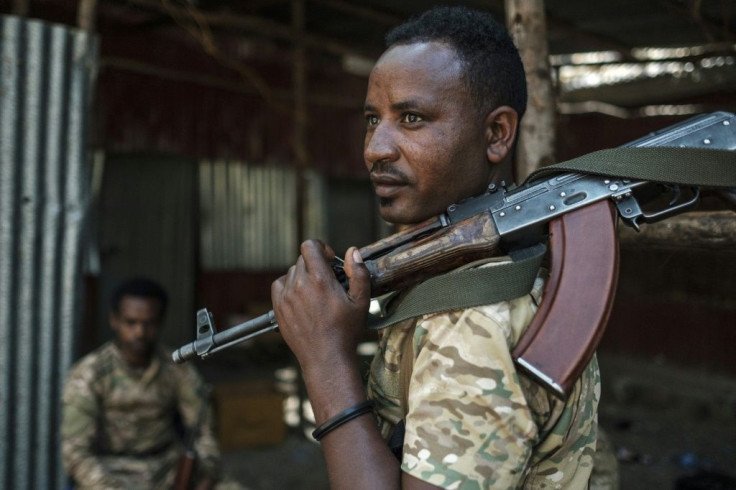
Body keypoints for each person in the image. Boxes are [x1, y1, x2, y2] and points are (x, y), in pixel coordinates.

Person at [271, 6, 606, 490]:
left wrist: (326, 362)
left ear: (496, 134)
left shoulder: (473, 322)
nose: (374, 149)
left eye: (411, 118)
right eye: (372, 119)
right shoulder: (476, 263)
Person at [61, 277, 233, 490]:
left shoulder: (177, 368)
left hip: (169, 468)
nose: (140, 333)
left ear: (160, 322)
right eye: (130, 322)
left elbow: (203, 431)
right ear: (114, 320)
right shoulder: (89, 374)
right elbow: (76, 452)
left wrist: (206, 473)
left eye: (149, 323)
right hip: (112, 473)